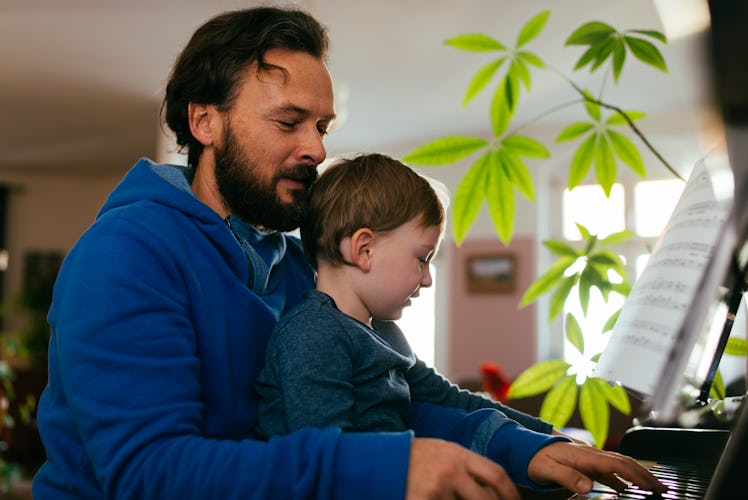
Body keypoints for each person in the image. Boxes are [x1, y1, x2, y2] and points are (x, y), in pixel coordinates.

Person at [31, 6, 665, 499]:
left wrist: (520, 449)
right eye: (288, 122)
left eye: (322, 127)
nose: (315, 147)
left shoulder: (300, 264)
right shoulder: (124, 257)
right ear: (204, 122)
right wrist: (379, 469)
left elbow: (393, 395)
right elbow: (150, 476)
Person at [254, 153, 666, 494]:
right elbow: (331, 461)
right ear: (364, 249)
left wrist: (550, 438)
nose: (428, 278)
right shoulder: (312, 334)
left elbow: (457, 400)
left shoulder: (385, 334)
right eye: (422, 258)